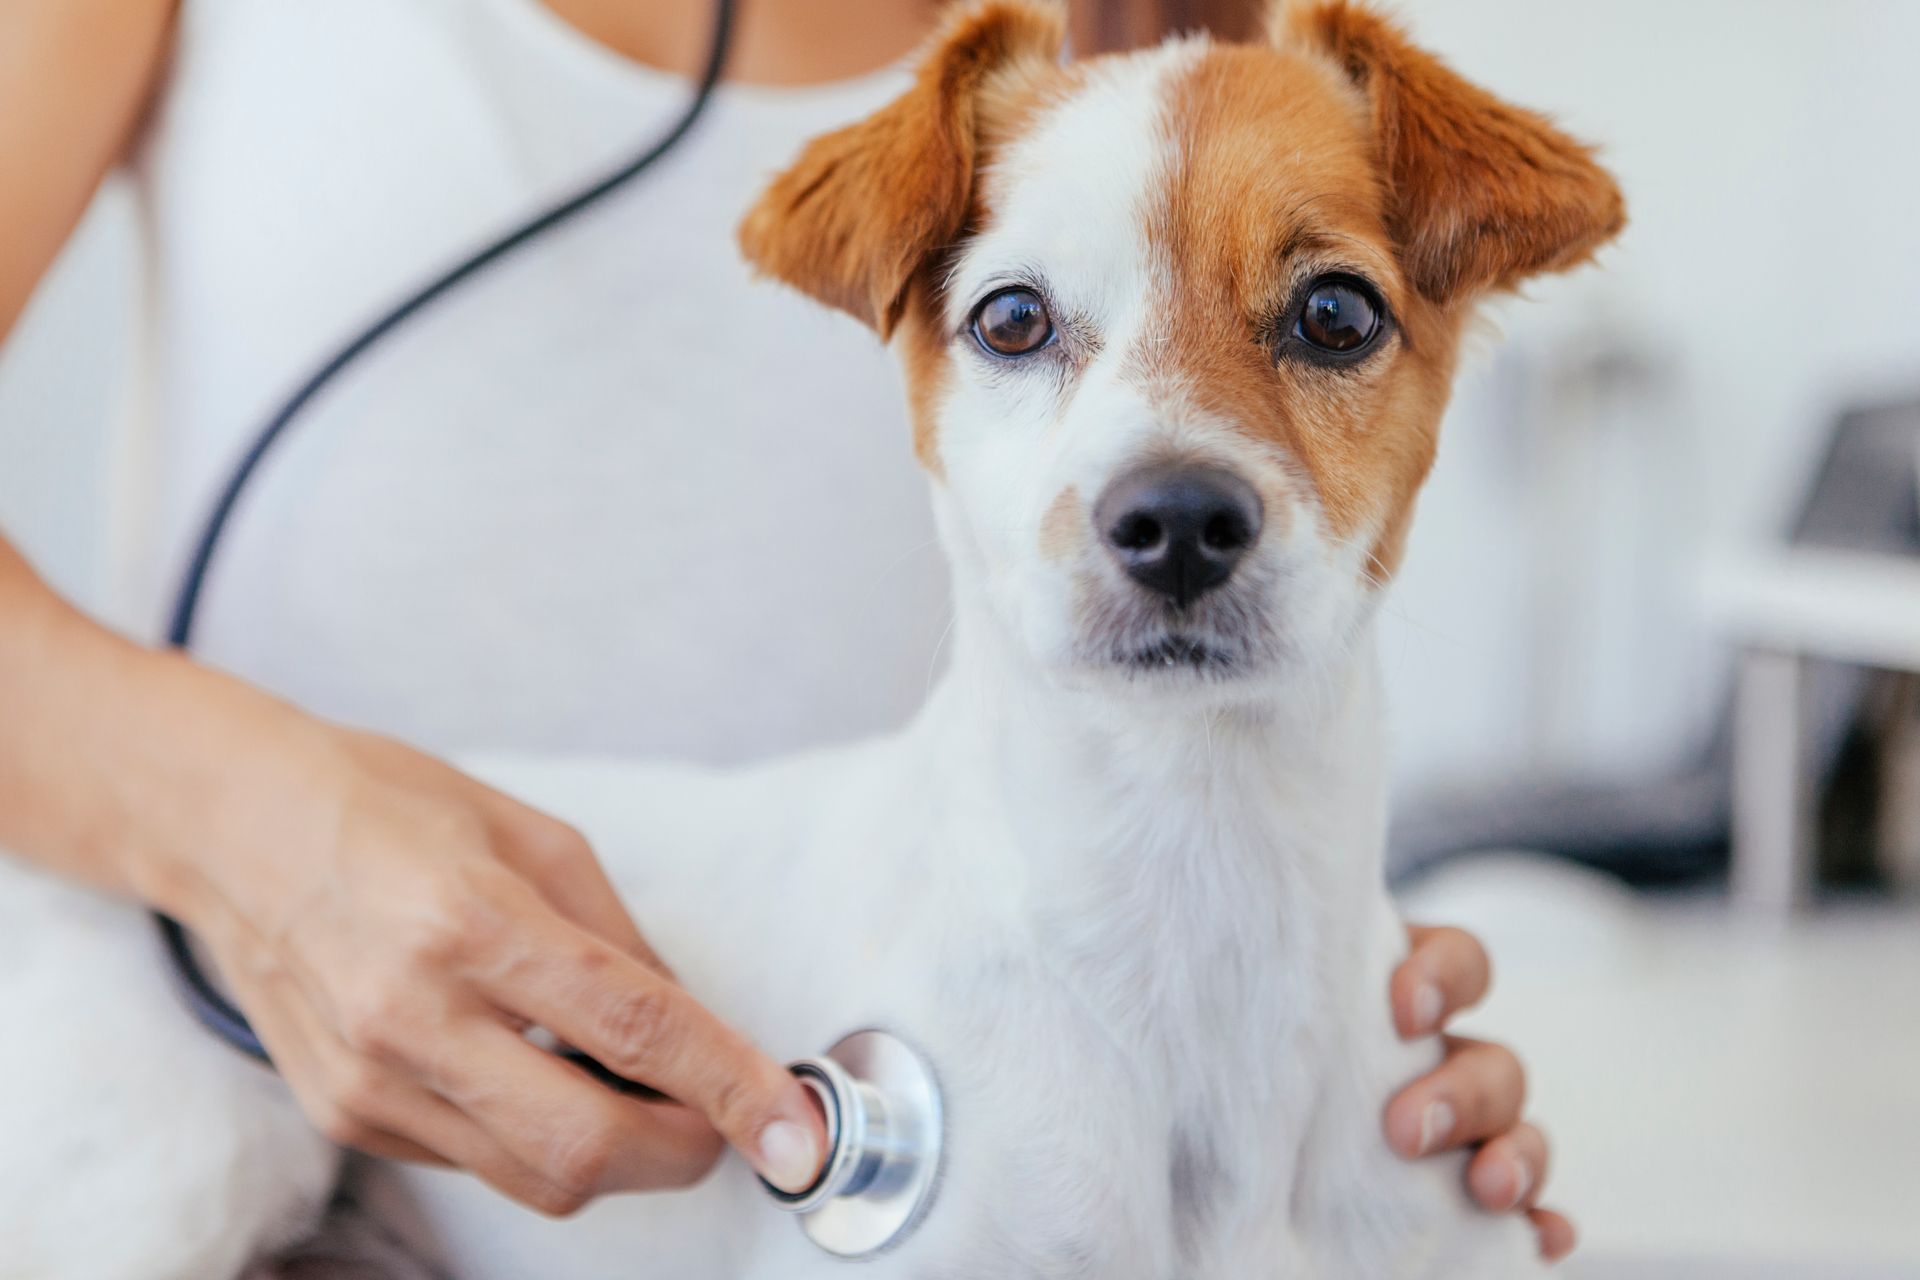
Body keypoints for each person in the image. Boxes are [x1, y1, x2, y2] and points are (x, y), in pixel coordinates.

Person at [0, 0, 1573, 1264]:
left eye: (1328, 318)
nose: (1171, 493)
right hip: (185, 1002)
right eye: (1020, 324)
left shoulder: (1184, 47)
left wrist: (1287, 1034)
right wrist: (248, 848)